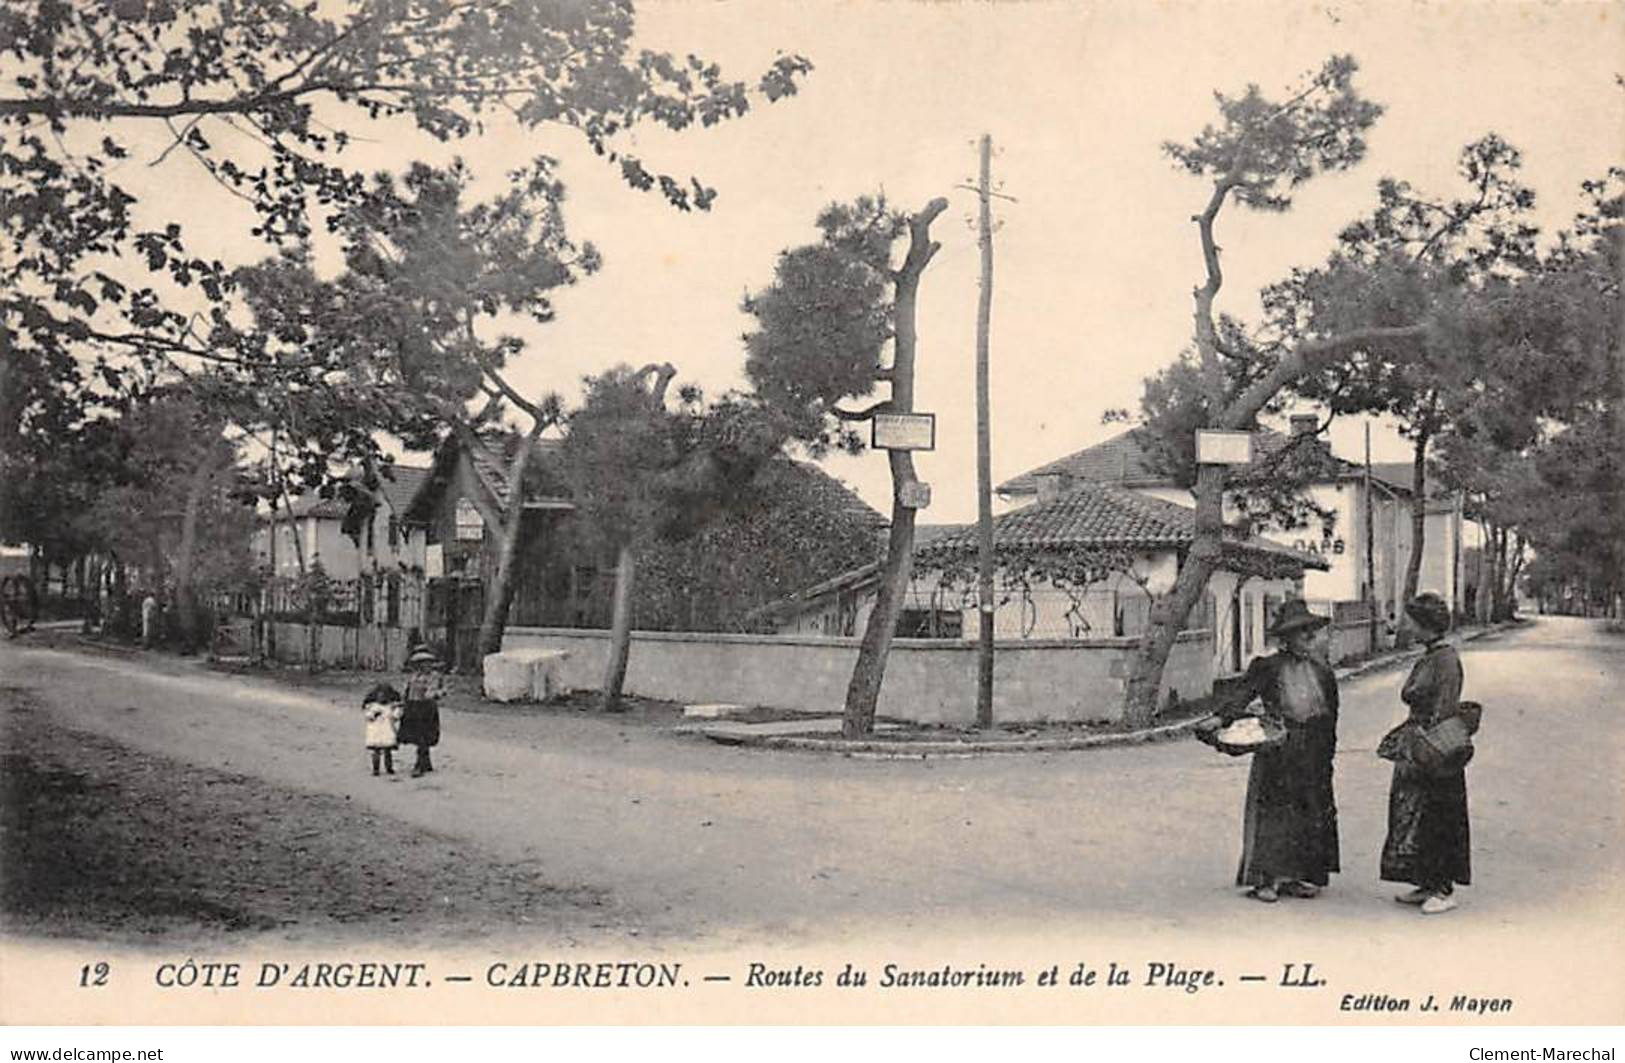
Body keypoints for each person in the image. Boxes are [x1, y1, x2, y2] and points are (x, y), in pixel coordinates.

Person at [1214, 599, 1341, 903]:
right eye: (1301, 632)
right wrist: (1221, 717)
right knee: (1274, 814)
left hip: (1313, 750)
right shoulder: (1267, 667)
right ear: (1286, 638)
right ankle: (1266, 880)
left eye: (1310, 631)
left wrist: (1328, 754)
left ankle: (1297, 876)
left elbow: (1331, 716)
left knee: (1308, 810)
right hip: (1280, 747)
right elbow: (1242, 695)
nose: (1309, 637)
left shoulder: (1322, 671)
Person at [1380, 592, 1473, 915]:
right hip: (1419, 744)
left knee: (1436, 816)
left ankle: (1444, 889)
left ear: (1425, 625)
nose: (1406, 625)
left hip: (1435, 748)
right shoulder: (1430, 655)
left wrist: (1428, 748)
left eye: (1411, 620)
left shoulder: (1445, 659)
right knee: (1414, 815)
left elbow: (1445, 707)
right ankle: (1425, 881)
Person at [398, 646, 445, 777]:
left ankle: (419, 764)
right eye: (422, 663)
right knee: (416, 735)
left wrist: (436, 693)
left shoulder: (434, 677)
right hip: (413, 707)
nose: (426, 665)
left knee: (424, 735)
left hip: (427, 708)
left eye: (428, 662)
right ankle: (426, 762)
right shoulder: (413, 677)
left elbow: (435, 691)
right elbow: (406, 691)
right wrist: (403, 703)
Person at [362, 683, 403, 777]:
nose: (382, 698)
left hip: (387, 731)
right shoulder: (372, 706)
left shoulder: (391, 706)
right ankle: (376, 769)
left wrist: (397, 710)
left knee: (388, 752)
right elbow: (368, 716)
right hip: (375, 732)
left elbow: (396, 717)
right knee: (376, 752)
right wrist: (373, 714)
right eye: (380, 696)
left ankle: (389, 767)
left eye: (384, 696)